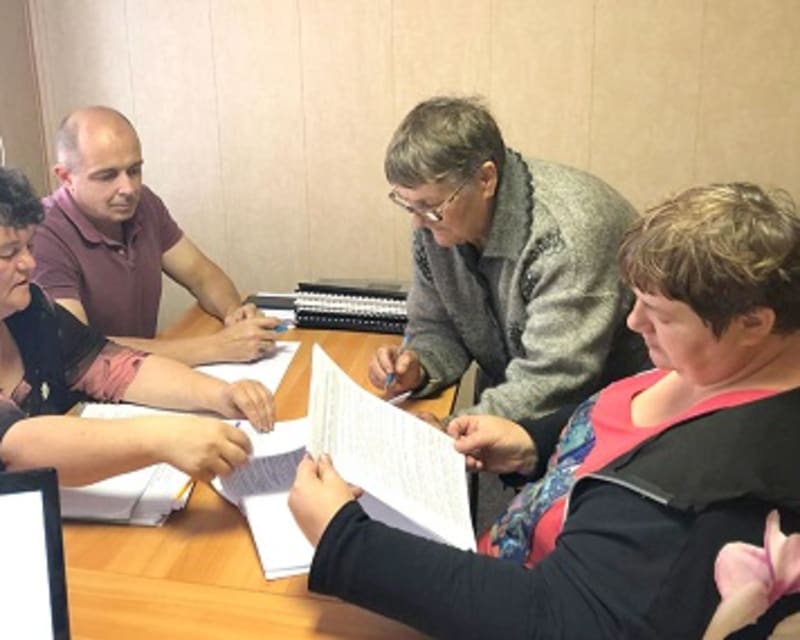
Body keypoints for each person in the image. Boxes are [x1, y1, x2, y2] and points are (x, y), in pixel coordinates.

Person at [290, 182, 800, 638]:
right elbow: (623, 438)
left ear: (753, 323)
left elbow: (553, 617)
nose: (634, 322)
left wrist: (346, 541)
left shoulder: (709, 498)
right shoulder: (723, 363)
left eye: (661, 315)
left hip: (516, 602)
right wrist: (530, 442)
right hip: (504, 560)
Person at [369, 96, 648, 424]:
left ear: (485, 180)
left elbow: (552, 381)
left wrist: (447, 430)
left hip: (610, 420)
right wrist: (419, 365)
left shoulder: (568, 236)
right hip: (520, 411)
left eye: (429, 206)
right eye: (408, 204)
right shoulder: (438, 224)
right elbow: (437, 327)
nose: (418, 223)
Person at [0, 166, 275, 485]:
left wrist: (219, 394)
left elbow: (113, 364)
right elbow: (17, 446)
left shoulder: (30, 310)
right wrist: (161, 439)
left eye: (30, 247)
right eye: (9, 253)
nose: (30, 263)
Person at [31, 106, 281, 367]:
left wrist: (234, 314)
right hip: (84, 387)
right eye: (107, 176)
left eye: (134, 170)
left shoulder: (144, 205)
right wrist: (217, 347)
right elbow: (79, 349)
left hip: (143, 373)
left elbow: (201, 275)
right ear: (65, 177)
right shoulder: (42, 234)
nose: (128, 188)